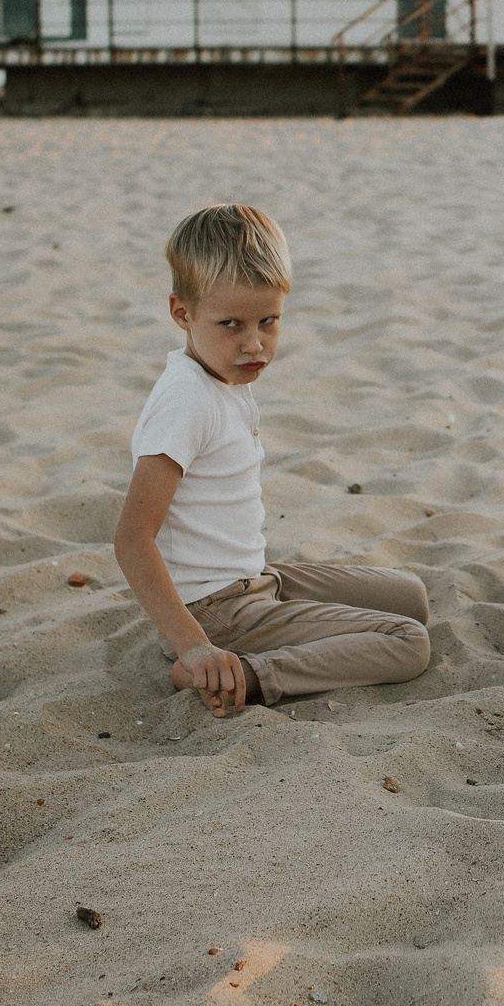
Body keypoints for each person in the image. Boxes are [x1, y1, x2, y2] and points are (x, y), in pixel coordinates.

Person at [114, 204, 431, 716]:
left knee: (410, 595)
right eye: (231, 324)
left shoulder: (223, 378)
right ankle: (245, 674)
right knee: (407, 641)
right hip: (218, 610)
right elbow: (132, 539)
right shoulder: (186, 401)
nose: (254, 343)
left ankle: (248, 642)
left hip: (257, 577)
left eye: (269, 320)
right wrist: (195, 644)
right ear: (182, 314)